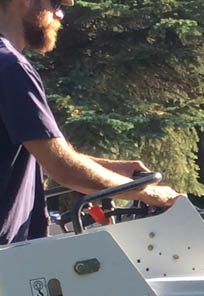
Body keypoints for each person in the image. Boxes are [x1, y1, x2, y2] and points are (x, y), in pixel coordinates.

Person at [0, 0, 181, 244]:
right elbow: (62, 167)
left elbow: (37, 155)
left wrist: (110, 169)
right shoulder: (11, 68)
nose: (60, 14)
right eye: (55, 3)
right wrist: (148, 192)